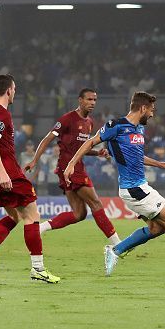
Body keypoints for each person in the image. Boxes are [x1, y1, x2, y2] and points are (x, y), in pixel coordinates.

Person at [64, 91, 165, 276]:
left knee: (157, 228)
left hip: (141, 185)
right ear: (143, 108)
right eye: (151, 110)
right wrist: (71, 164)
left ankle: (115, 250)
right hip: (133, 188)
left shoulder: (139, 129)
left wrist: (159, 164)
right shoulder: (116, 126)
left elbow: (137, 157)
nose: (153, 114)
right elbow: (90, 142)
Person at [0, 74, 60, 283]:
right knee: (32, 216)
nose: (15, 92)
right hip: (9, 174)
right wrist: (2, 172)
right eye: (15, 88)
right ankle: (38, 269)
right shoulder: (2, 114)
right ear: (9, 90)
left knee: (14, 217)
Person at [24, 88, 122, 246]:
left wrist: (97, 153)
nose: (92, 103)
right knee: (96, 203)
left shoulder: (89, 123)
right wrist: (35, 160)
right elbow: (47, 138)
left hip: (75, 166)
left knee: (79, 214)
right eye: (89, 99)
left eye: (95, 100)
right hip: (68, 167)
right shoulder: (68, 119)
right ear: (80, 100)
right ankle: (117, 244)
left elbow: (82, 148)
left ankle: (40, 228)